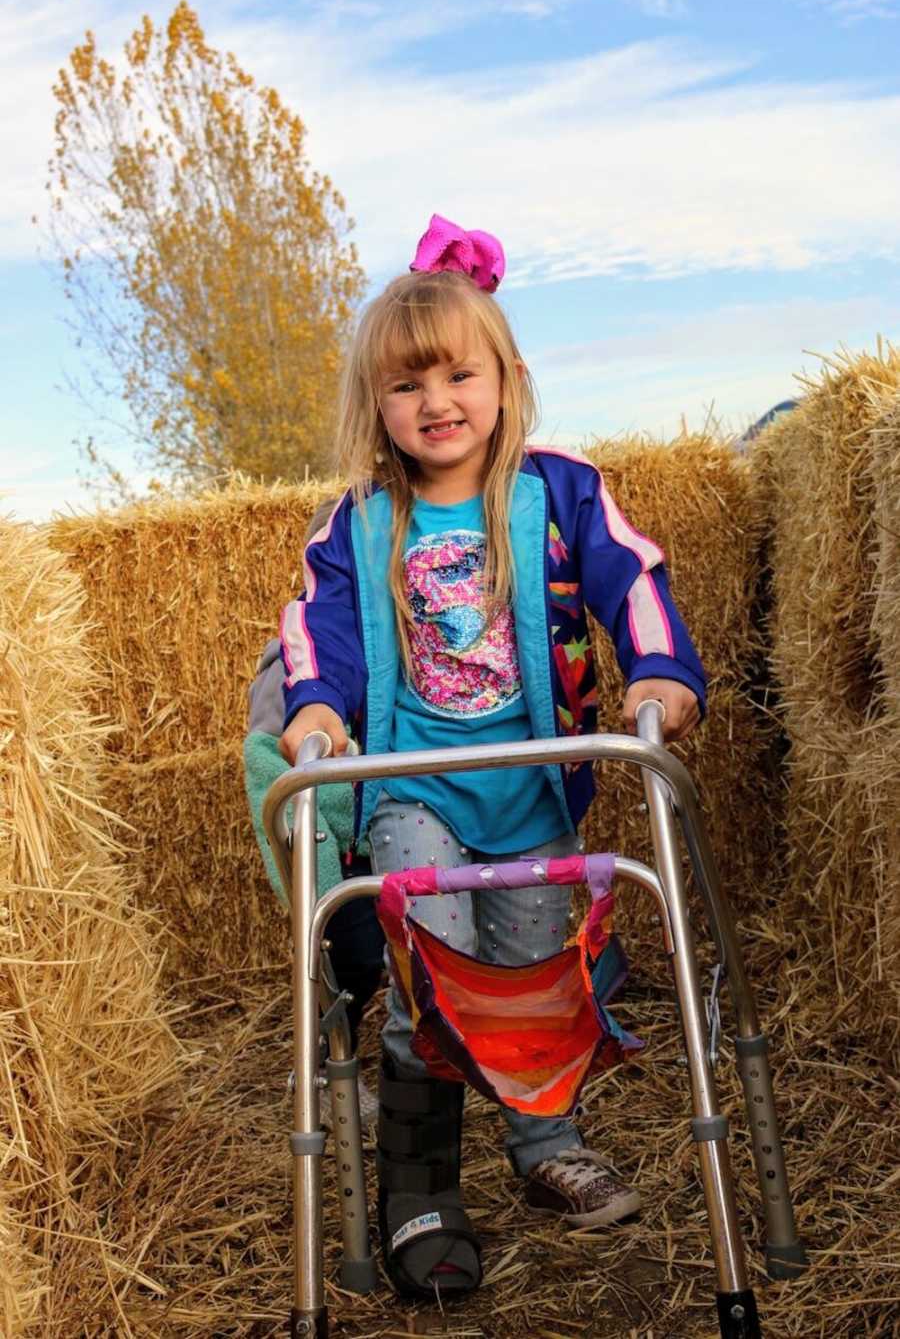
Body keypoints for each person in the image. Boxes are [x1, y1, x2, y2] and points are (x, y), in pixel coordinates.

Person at [278, 214, 705, 1300]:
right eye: (406, 386)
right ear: (376, 406)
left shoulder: (557, 492)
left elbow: (634, 577)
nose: (437, 403)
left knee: (523, 978)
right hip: (413, 788)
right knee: (436, 973)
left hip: (532, 787)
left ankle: (541, 1142)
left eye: (458, 375)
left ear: (505, 379)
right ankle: (421, 1187)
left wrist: (659, 672)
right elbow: (315, 632)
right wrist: (320, 712)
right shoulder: (360, 523)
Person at [244, 500, 385, 1122]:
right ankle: (326, 1073)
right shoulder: (289, 669)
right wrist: (314, 855)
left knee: (390, 961)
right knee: (351, 961)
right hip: (340, 851)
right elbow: (268, 766)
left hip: (394, 833)